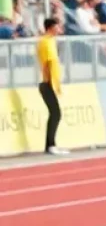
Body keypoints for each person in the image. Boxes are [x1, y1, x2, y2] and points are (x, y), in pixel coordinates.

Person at [37, 16, 66, 155]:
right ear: (51, 27)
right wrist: (49, 81)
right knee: (55, 113)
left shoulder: (51, 41)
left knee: (55, 113)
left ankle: (50, 144)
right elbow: (47, 63)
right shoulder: (45, 42)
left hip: (52, 83)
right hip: (47, 83)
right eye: (57, 26)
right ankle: (50, 145)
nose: (59, 29)